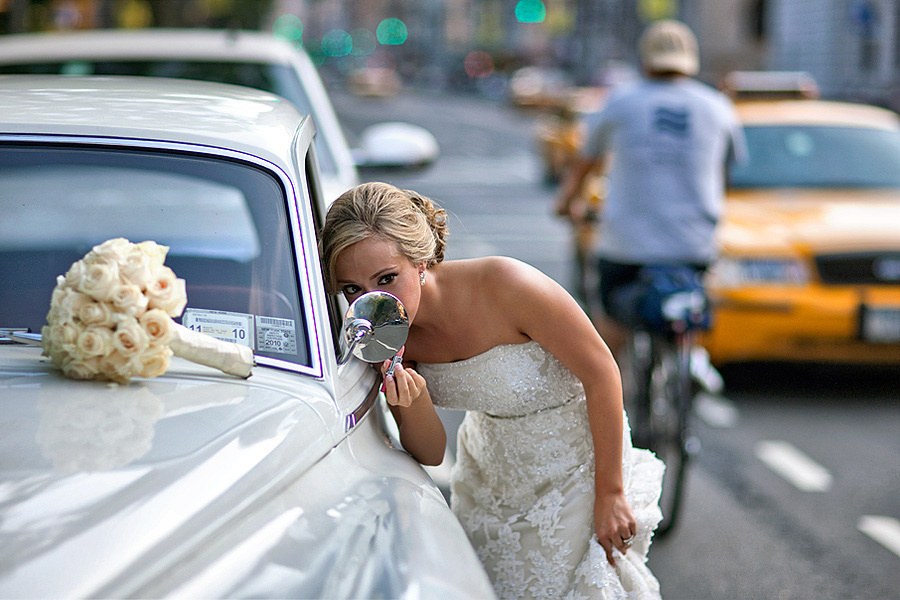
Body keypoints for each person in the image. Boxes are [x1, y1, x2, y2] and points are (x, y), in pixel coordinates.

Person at [320, 181, 664, 600]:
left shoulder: (507, 285)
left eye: (387, 278)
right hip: (489, 484)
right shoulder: (383, 336)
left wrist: (610, 493)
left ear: (422, 261)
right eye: (353, 289)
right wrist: (412, 403)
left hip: (579, 470)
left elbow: (601, 371)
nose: (373, 299)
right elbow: (429, 453)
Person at [555, 19, 746, 356]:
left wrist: (566, 202)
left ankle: (613, 396)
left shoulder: (620, 101)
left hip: (627, 246)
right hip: (693, 245)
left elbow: (585, 163)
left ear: (644, 60)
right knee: (689, 308)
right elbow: (727, 175)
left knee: (610, 323)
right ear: (691, 61)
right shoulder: (718, 107)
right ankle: (689, 372)